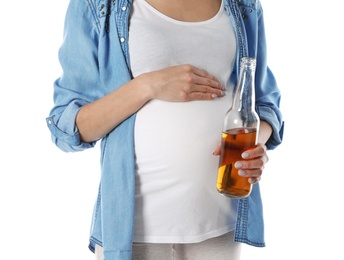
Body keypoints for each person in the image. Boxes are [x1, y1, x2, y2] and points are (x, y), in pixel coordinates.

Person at [46, 0, 284, 259]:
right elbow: (68, 127)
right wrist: (147, 85)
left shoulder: (243, 5)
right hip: (134, 233)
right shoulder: (98, 5)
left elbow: (264, 103)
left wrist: (253, 144)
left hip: (219, 227)